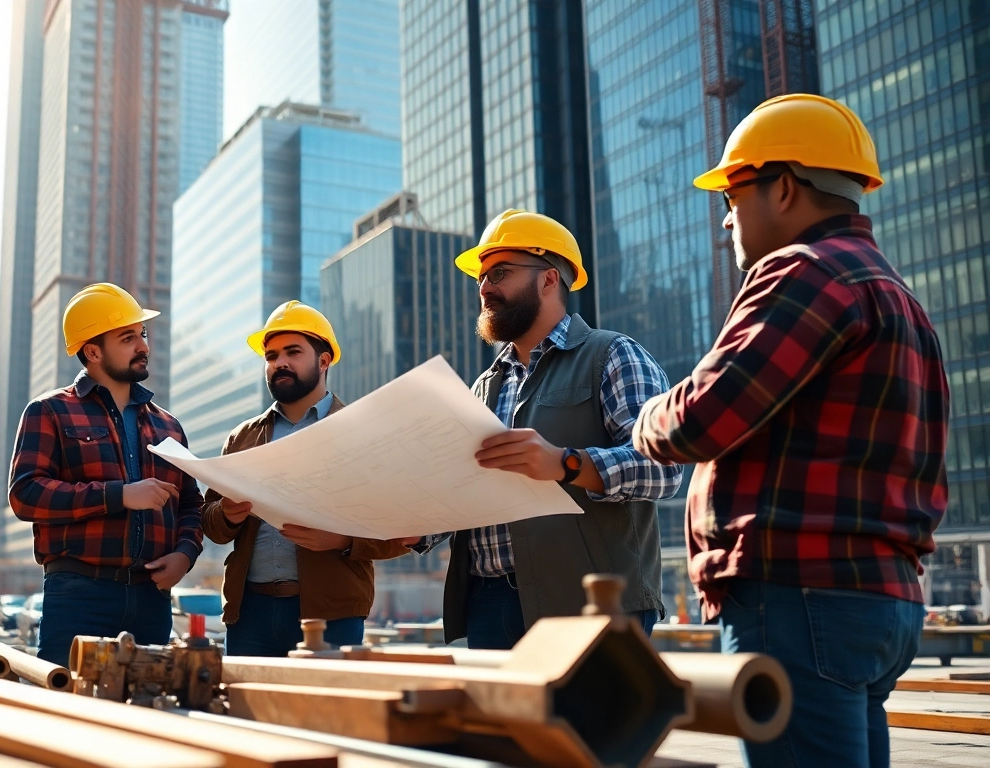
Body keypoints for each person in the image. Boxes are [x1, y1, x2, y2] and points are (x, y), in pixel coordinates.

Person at [632, 94, 949, 767]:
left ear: (783, 186)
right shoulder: (900, 296)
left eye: (734, 193)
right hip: (879, 600)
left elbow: (700, 419)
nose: (726, 219)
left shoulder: (805, 270)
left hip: (801, 596)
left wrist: (643, 421)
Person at [411, 210, 683, 650]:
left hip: (589, 603)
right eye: (481, 278)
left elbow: (663, 469)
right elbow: (470, 488)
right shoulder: (485, 385)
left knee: (589, 722)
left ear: (549, 280)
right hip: (488, 603)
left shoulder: (613, 355)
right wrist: (415, 527)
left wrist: (565, 463)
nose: (484, 288)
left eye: (500, 272)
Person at [9, 283, 204, 665]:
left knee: (146, 713)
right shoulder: (48, 411)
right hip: (79, 593)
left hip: (152, 598)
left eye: (142, 335)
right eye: (128, 337)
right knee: (67, 712)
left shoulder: (169, 426)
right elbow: (26, 493)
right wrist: (118, 495)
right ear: (93, 351)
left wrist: (186, 553)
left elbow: (191, 503)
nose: (143, 346)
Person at [200, 301, 409, 656]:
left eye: (293, 352)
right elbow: (211, 524)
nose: (279, 362)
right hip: (249, 614)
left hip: (332, 615)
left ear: (324, 360)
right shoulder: (243, 437)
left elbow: (402, 530)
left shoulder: (363, 433)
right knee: (244, 709)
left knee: (322, 711)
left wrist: (342, 540)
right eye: (271, 355)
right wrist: (227, 514)